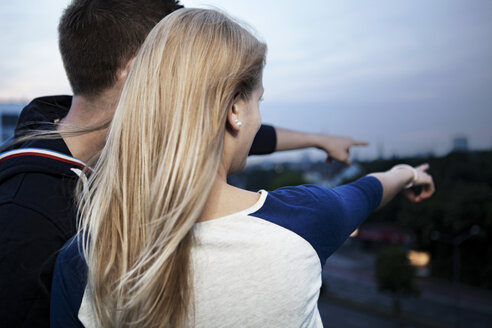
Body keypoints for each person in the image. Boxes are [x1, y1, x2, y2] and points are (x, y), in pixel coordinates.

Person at [50, 8, 435, 328]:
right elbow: (367, 191)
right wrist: (407, 173)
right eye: (258, 101)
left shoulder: (83, 258)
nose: (256, 117)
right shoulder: (303, 221)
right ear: (234, 109)